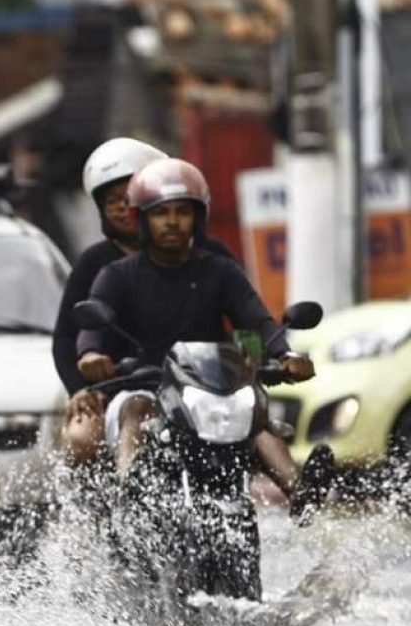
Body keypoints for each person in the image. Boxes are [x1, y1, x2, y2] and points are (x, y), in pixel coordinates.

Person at [74, 158, 321, 484]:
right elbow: (92, 323)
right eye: (161, 213)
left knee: (254, 416)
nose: (172, 222)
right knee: (135, 408)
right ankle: (128, 485)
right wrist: (91, 354)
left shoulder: (221, 271)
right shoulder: (116, 275)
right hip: (144, 388)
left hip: (212, 393)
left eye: (182, 212)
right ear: (142, 219)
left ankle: (299, 490)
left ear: (198, 218)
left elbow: (257, 320)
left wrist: (284, 355)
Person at [54, 139, 237, 466]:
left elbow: (246, 320)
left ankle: (297, 485)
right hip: (120, 388)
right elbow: (70, 337)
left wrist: (257, 360)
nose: (122, 207)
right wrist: (81, 387)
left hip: (204, 385)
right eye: (112, 201)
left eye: (131, 196)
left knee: (257, 425)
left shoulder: (213, 258)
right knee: (82, 438)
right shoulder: (97, 266)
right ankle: (119, 492)